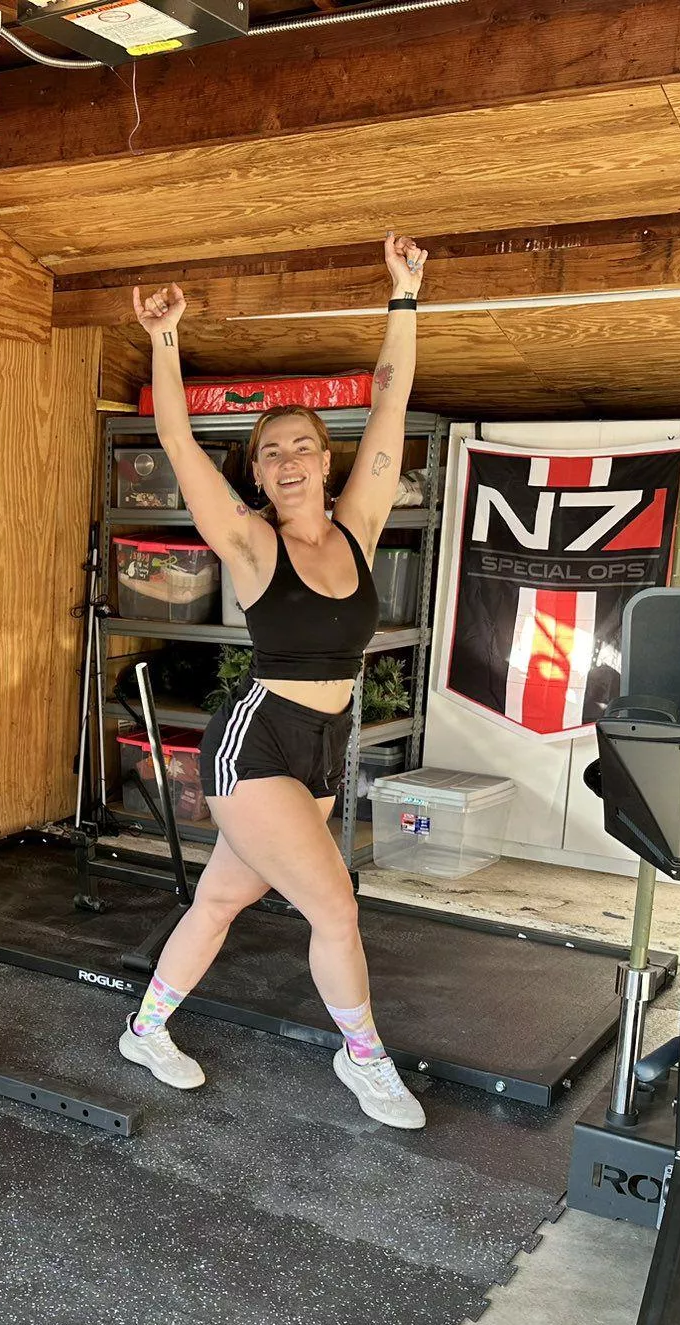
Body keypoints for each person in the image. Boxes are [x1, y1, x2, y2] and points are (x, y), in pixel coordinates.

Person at [119, 233, 429, 1129]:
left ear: (325, 461)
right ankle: (364, 1057)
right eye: (271, 453)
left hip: (323, 745)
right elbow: (174, 439)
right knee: (335, 907)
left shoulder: (360, 530)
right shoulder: (253, 545)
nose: (289, 461)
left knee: (220, 898)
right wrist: (165, 338)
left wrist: (402, 295)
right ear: (256, 472)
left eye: (302, 446)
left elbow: (392, 399)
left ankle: (147, 1027)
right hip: (258, 744)